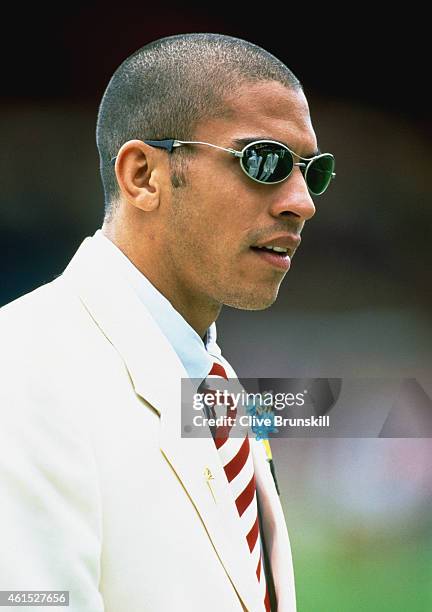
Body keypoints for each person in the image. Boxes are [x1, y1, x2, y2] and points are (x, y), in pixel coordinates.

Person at [0, 33, 335, 612]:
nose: (301, 201)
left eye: (312, 170)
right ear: (143, 176)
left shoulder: (215, 384)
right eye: (264, 161)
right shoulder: (23, 372)